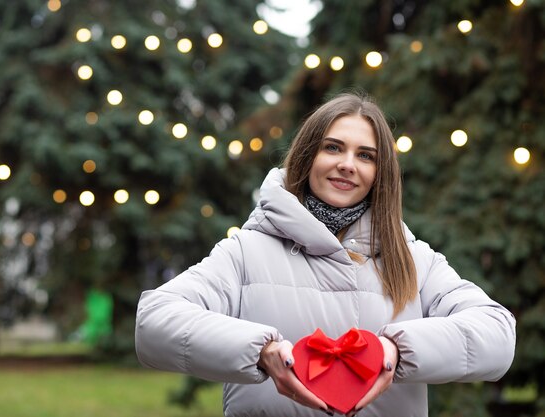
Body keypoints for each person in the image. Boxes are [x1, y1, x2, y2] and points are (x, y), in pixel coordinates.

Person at [135, 92, 516, 417]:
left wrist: (396, 350)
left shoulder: (413, 259)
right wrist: (260, 351)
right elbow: (154, 322)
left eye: (365, 155)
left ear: (380, 173)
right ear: (306, 156)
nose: (347, 164)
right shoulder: (247, 252)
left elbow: (497, 333)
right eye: (333, 147)